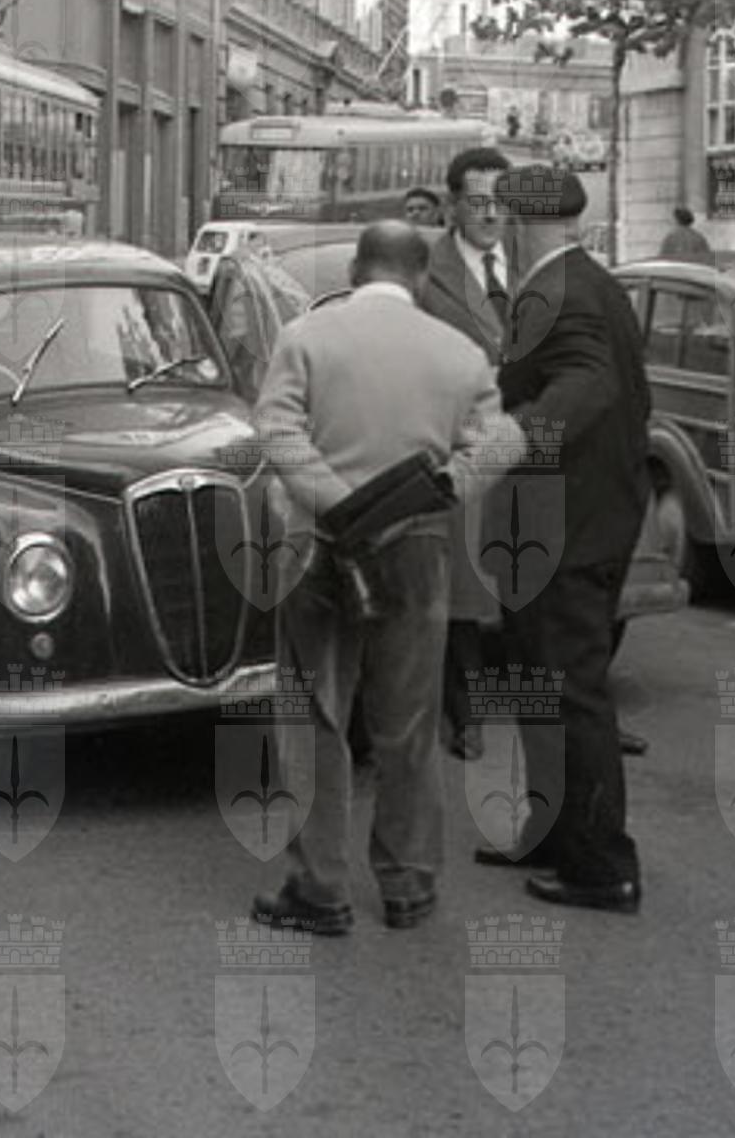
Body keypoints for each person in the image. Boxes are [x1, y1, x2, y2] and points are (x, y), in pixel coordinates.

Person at [248, 222, 522, 936]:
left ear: (354, 269)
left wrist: (339, 503)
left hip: (319, 543)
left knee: (315, 717)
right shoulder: (459, 352)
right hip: (416, 545)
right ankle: (408, 883)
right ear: (422, 278)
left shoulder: (305, 338)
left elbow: (276, 432)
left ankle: (320, 889)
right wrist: (445, 485)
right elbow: (504, 440)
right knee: (409, 721)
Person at [477, 163, 650, 914]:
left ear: (518, 226)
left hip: (569, 526)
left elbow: (588, 386)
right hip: (568, 518)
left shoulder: (564, 293)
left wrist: (509, 439)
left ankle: (602, 866)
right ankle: (552, 831)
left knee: (572, 694)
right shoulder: (590, 282)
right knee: (541, 687)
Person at [417, 146, 512, 761]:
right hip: (463, 445)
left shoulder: (535, 263)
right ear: (453, 206)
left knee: (538, 580)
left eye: (501, 201)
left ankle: (567, 709)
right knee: (462, 591)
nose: (491, 214)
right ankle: (466, 713)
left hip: (531, 447)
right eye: (478, 202)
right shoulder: (428, 274)